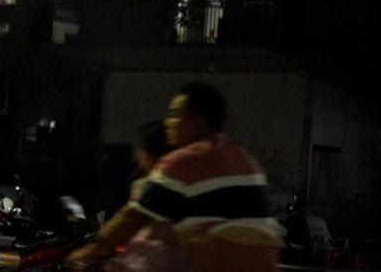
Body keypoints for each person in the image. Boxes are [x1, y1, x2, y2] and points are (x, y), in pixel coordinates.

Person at [66, 81, 284, 272]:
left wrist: (90, 249)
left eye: (175, 114)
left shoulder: (182, 161)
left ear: (198, 122)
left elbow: (131, 218)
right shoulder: (246, 159)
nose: (168, 122)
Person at [103, 121, 184, 272]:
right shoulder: (185, 186)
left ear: (144, 154)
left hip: (148, 261)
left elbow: (128, 223)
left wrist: (96, 246)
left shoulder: (144, 186)